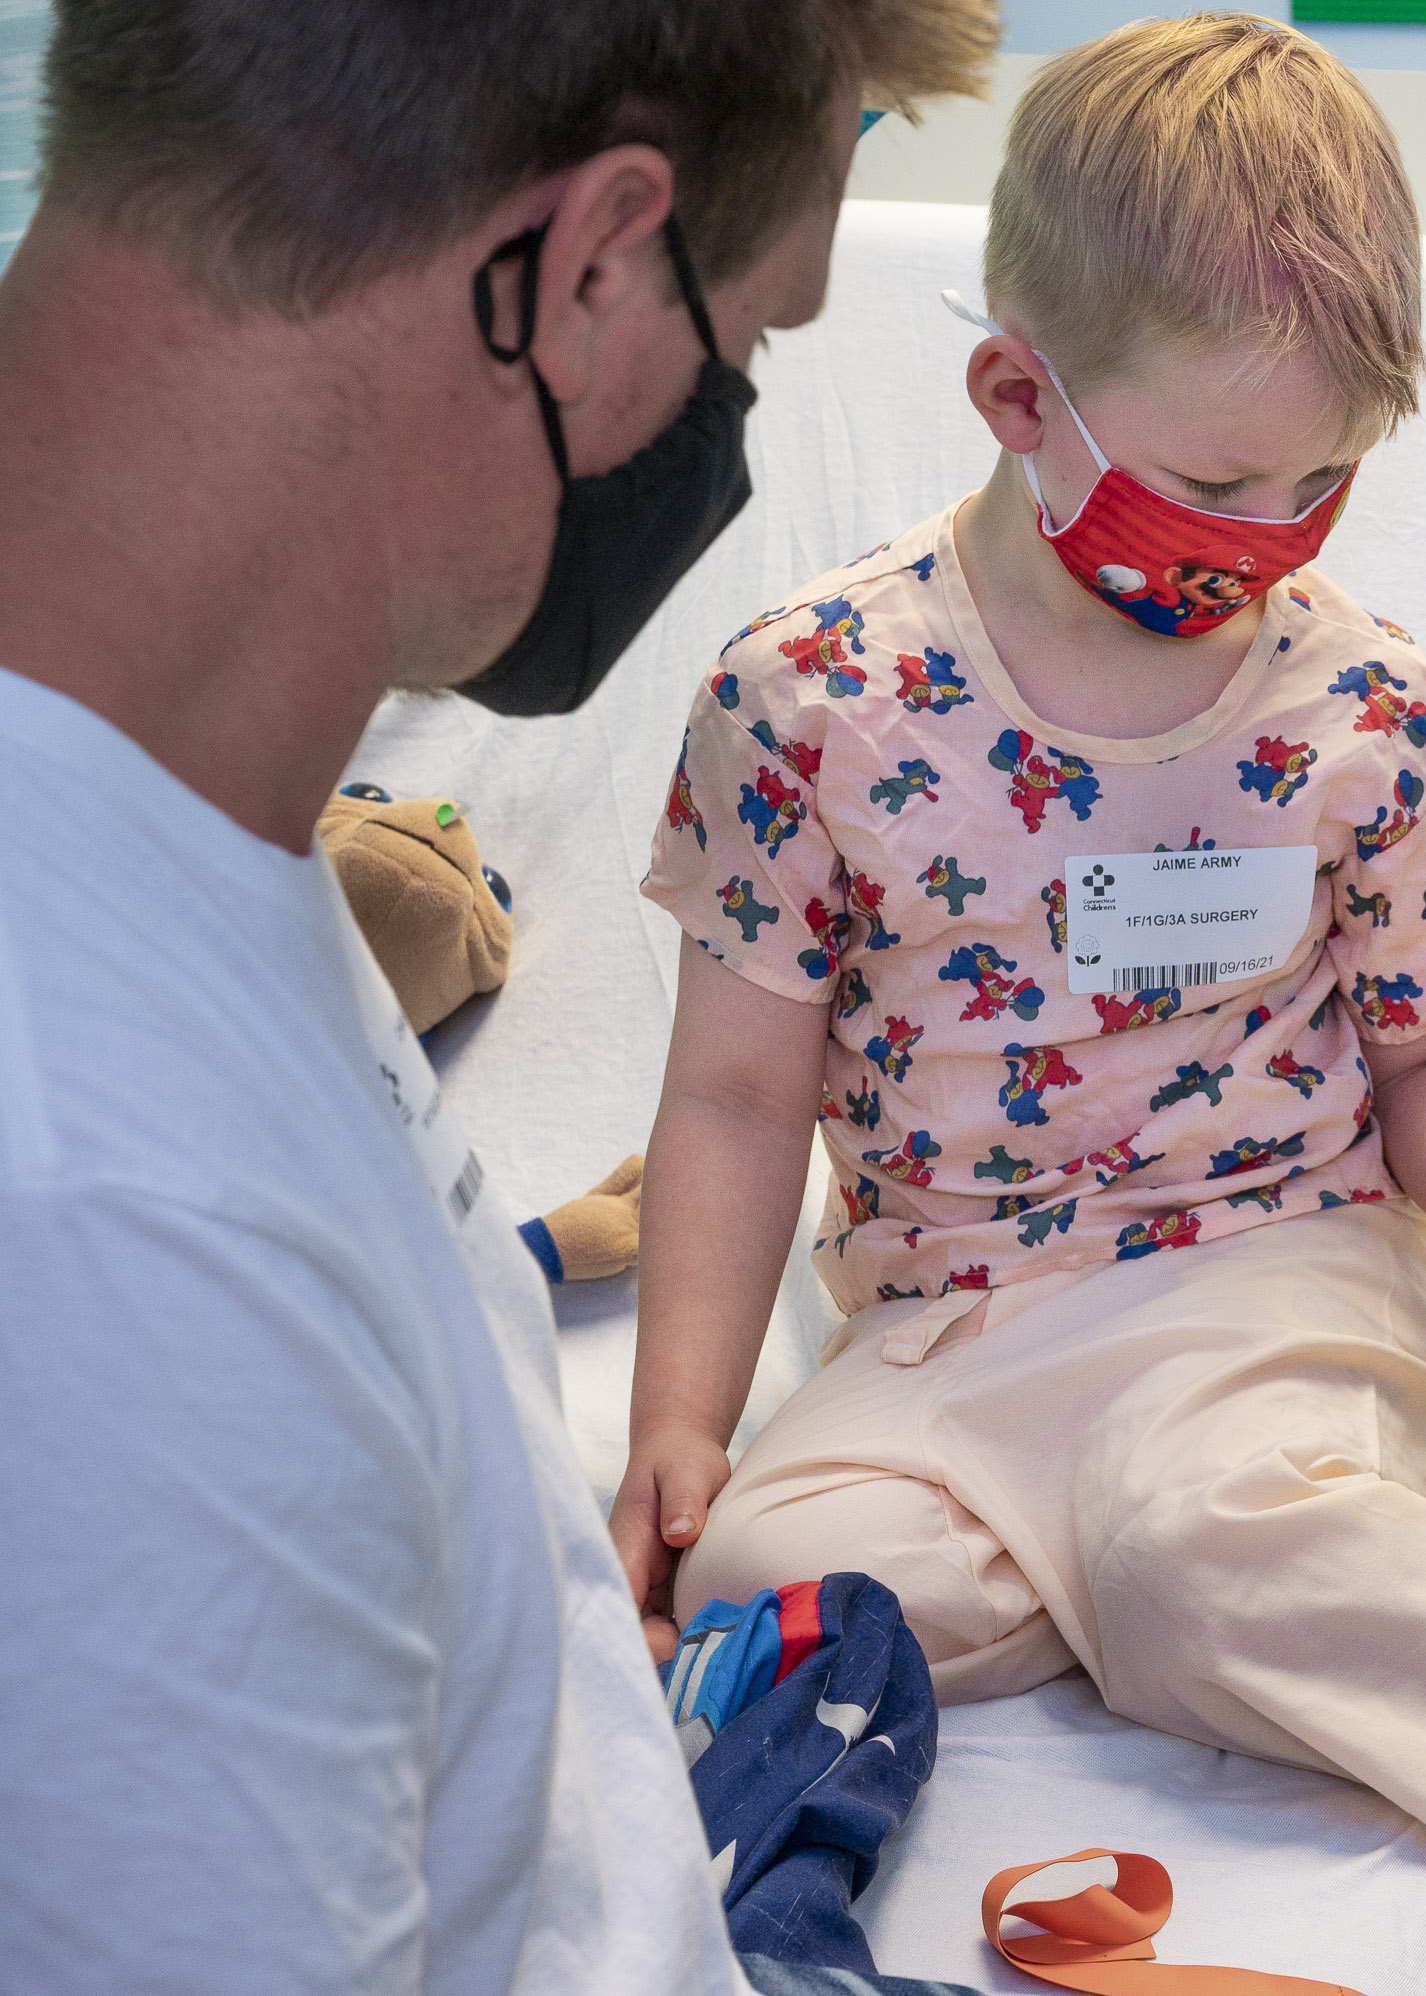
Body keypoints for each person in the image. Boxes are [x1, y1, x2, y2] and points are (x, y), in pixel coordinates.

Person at [605, 18, 1426, 1996]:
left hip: (1271, 1274)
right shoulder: (813, 708)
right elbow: (728, 1099)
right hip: (951, 1321)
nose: (1274, 535)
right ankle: (1274, 1584)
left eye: (1328, 478)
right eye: (1221, 476)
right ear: (1015, 394)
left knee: (1185, 1526)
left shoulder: (1360, 715)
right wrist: (681, 1427)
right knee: (775, 1584)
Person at [0, 4, 994, 1992]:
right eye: (752, 346)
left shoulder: (176, 819)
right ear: (587, 266)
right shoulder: (118, 1235)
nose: (730, 430)